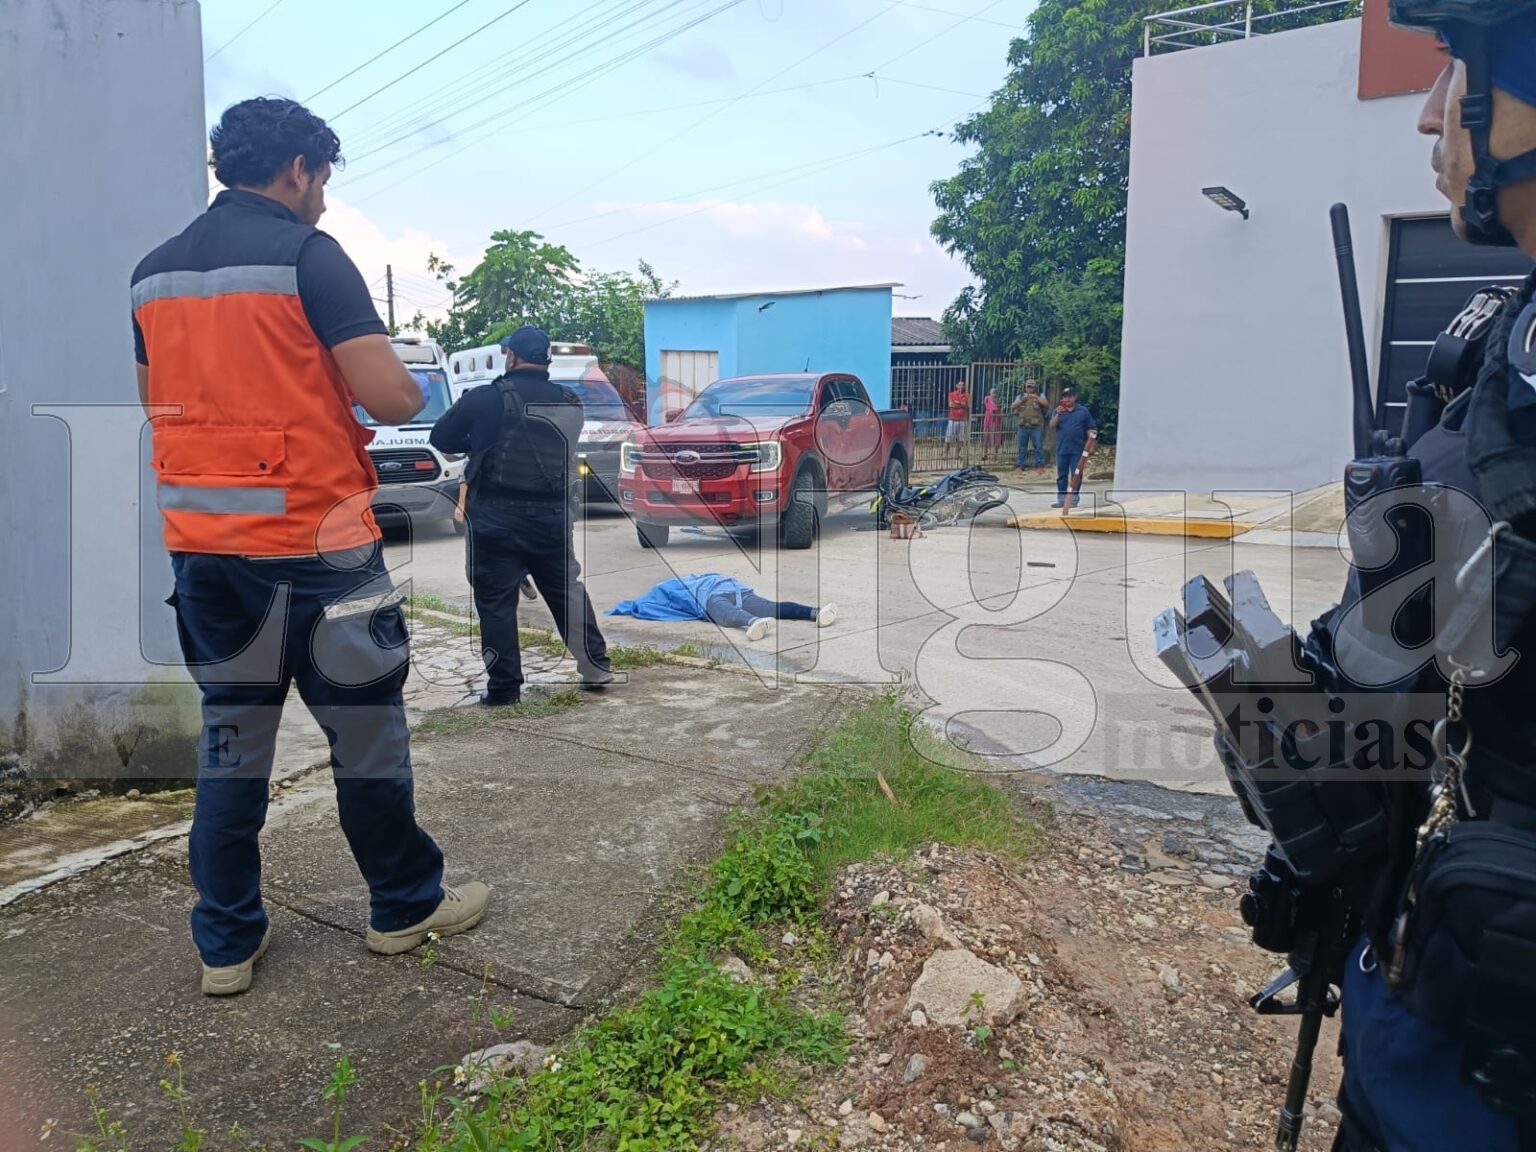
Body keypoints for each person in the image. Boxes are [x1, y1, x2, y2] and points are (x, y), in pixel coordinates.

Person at [1173, 6, 1536, 1149]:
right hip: (1409, 1008)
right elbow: (1407, 680)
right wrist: (1322, 831)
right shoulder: (1490, 350)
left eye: (1462, 70)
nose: (1431, 111)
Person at [131, 97, 490, 996]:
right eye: (322, 180)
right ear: (296, 168)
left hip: (205, 555)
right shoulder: (308, 257)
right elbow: (399, 399)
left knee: (232, 746)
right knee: (366, 740)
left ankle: (225, 945)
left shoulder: (151, 276)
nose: (324, 199)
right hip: (320, 549)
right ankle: (404, 905)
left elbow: (156, 406)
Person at [430, 326, 614, 707]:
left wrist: (478, 443)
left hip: (495, 520)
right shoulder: (569, 401)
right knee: (567, 592)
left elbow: (441, 437)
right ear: (546, 359)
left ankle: (504, 689)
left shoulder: (483, 399)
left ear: (510, 356)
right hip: (551, 518)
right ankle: (595, 666)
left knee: (496, 603)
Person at [608, 574, 837, 643]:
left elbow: (646, 607)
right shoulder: (695, 578)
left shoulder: (663, 588)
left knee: (725, 614)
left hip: (710, 597)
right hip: (735, 587)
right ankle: (815, 612)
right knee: (771, 606)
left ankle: (752, 622)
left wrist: (632, 607)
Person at [1047, 387, 1096, 508]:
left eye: (1069, 396)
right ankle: (1062, 499)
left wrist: (1091, 442)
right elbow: (1052, 425)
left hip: (1077, 449)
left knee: (1076, 474)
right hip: (1062, 449)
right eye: (1064, 397)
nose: (1067, 399)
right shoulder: (1058, 411)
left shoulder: (1083, 411)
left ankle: (1073, 499)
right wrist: (1058, 415)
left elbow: (1091, 428)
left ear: (1075, 397)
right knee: (1061, 475)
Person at [1011, 380, 1049, 472]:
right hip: (1023, 425)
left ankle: (1040, 465)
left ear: (1035, 387)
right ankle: (1020, 465)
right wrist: (1021, 401)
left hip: (1036, 425)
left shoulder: (1040, 395)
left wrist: (1035, 397)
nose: (1029, 388)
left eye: (1031, 387)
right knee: (1022, 447)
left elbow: (1045, 403)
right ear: (1025, 387)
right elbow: (1013, 406)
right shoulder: (1020, 397)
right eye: (1028, 387)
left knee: (1038, 446)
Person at [945, 378, 971, 460]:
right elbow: (951, 405)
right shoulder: (951, 394)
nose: (961, 386)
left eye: (963, 385)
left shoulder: (967, 395)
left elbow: (967, 405)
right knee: (948, 438)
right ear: (956, 386)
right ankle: (946, 454)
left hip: (963, 420)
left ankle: (957, 454)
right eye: (960, 385)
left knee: (961, 439)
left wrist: (957, 403)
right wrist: (961, 404)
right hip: (952, 419)